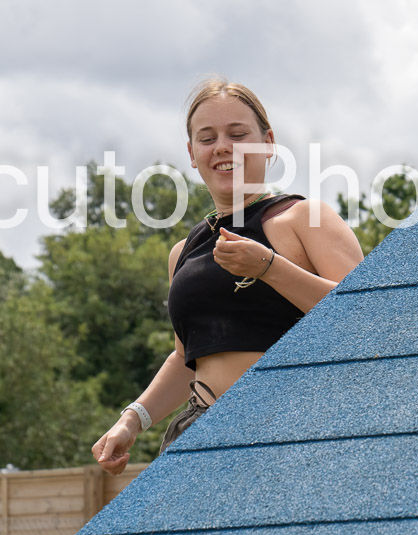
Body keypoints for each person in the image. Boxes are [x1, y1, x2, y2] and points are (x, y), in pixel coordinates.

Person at [91, 78, 364, 471]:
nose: (222, 146)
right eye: (207, 138)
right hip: (198, 435)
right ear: (191, 153)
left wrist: (269, 268)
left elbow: (365, 321)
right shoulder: (182, 253)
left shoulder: (307, 218)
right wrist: (133, 419)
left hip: (294, 431)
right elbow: (186, 358)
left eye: (238, 134)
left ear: (268, 142)